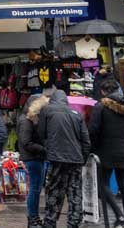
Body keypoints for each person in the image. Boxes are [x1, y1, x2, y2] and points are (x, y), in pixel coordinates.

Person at [88, 79, 124, 227]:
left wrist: (94, 148)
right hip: (123, 152)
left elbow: (93, 131)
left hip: (104, 152)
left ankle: (120, 216)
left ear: (103, 92)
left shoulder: (101, 107)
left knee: (102, 185)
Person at [39, 90, 91, 228]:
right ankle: (74, 221)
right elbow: (86, 141)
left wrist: (48, 150)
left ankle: (50, 221)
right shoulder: (76, 114)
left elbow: (42, 133)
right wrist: (82, 159)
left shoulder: (46, 110)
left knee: (54, 189)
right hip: (75, 159)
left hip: (56, 157)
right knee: (74, 190)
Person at [18, 95, 49, 228]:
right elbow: (26, 142)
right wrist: (43, 149)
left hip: (35, 157)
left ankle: (34, 218)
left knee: (36, 189)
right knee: (34, 189)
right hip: (32, 158)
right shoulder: (26, 121)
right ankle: (33, 218)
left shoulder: (30, 119)